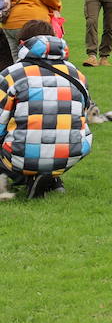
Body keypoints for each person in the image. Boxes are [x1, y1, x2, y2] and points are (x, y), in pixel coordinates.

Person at [0, 20, 91, 200]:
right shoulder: (77, 74)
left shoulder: (11, 74)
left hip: (22, 154)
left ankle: (25, 177)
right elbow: (82, 115)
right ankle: (51, 178)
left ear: (22, 44)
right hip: (71, 152)